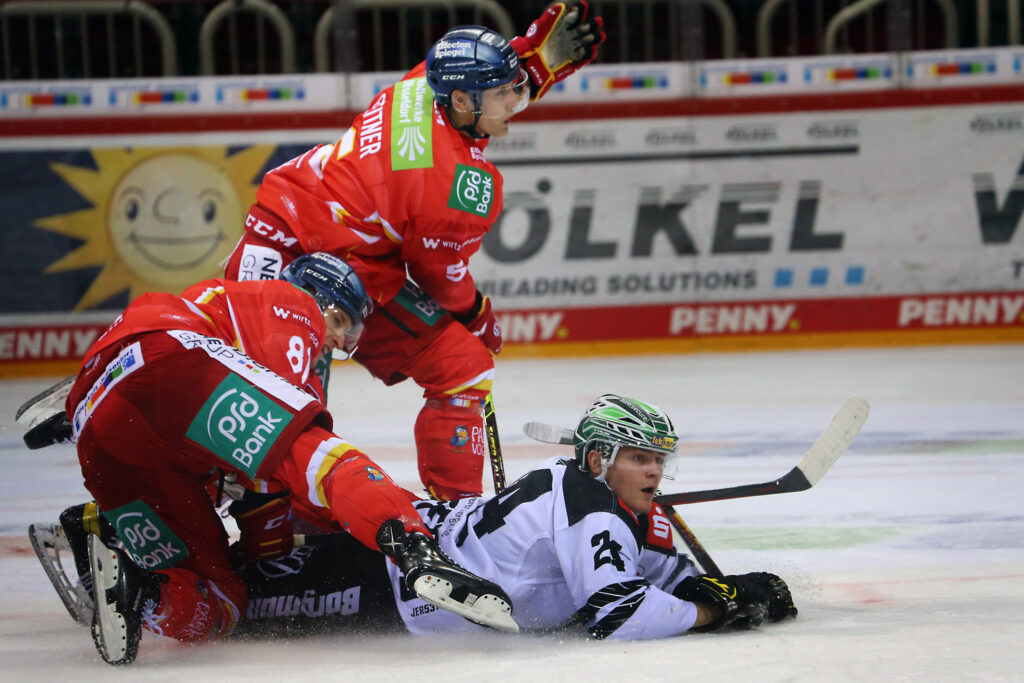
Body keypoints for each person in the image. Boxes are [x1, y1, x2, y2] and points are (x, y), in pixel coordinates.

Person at [46, 252, 517, 666]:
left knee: (221, 603)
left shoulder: (225, 306)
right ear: (316, 296)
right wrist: (268, 551)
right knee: (315, 452)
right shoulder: (288, 303)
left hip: (98, 428)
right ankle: (414, 545)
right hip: (168, 365)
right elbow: (273, 463)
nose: (336, 340)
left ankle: (134, 582)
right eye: (340, 321)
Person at [223, 3, 606, 501]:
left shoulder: (426, 82)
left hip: (313, 243)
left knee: (284, 418)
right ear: (464, 102)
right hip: (300, 257)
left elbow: (473, 88)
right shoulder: (460, 183)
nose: (516, 100)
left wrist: (527, 63)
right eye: (505, 92)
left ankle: (449, 518)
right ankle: (455, 520)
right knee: (283, 420)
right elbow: (439, 276)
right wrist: (478, 313)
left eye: (516, 87)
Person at [37, 394, 796, 642]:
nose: (655, 473)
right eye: (640, 458)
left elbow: (667, 570)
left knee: (272, 546)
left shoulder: (609, 501)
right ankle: (129, 567)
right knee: (235, 604)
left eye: (659, 459)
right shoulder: (593, 507)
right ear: (599, 459)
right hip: (395, 577)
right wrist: (712, 611)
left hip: (422, 537)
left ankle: (131, 526)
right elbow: (617, 612)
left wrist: (721, 587)